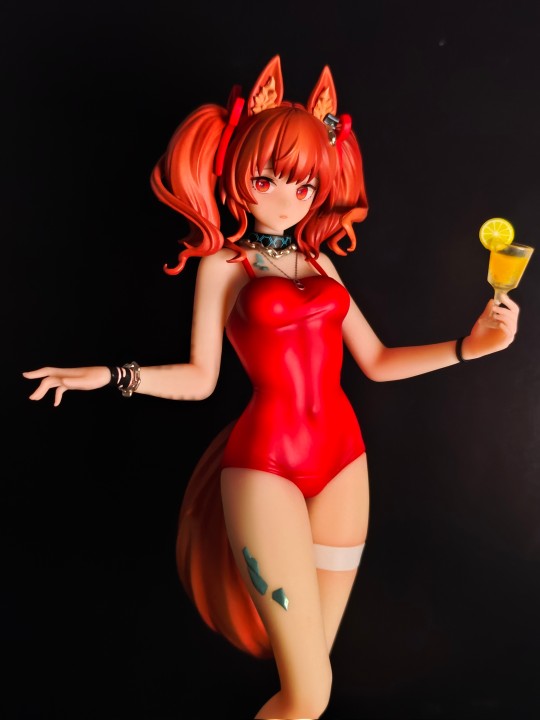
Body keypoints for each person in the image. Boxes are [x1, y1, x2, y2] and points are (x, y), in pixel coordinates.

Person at [22, 55, 520, 720]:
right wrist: (107, 376)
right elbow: (201, 380)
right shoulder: (223, 265)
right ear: (238, 175)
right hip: (266, 466)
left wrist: (470, 347)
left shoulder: (321, 262)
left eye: (305, 185)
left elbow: (375, 360)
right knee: (310, 695)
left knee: (311, 683)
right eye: (268, 179)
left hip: (345, 465)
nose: (288, 199)